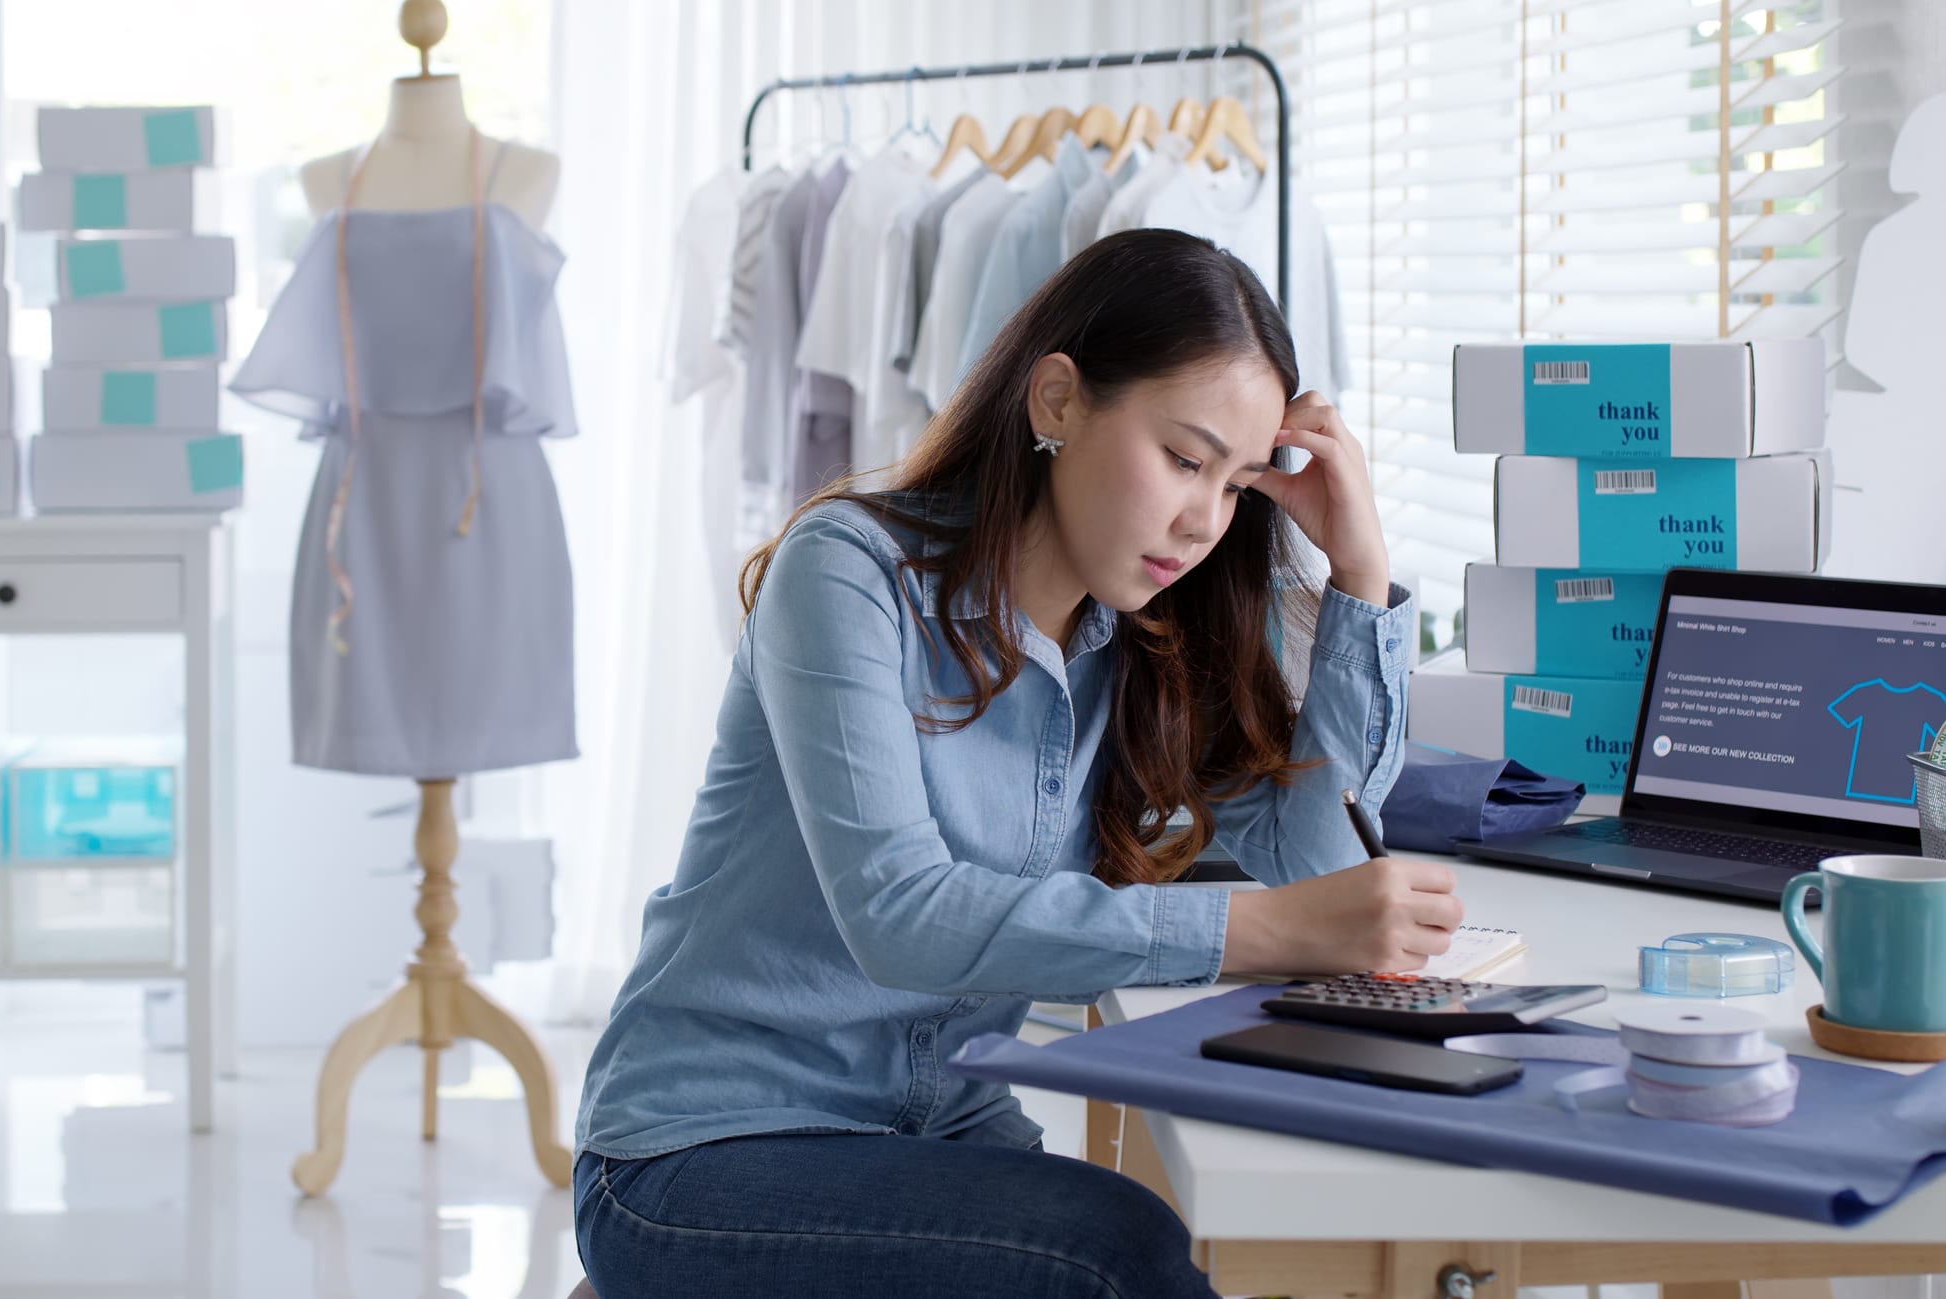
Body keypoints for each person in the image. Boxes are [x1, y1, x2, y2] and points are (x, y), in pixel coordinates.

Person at [572, 229, 1461, 1298]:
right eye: (1182, 459)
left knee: (1176, 1246)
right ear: (1055, 401)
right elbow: (898, 913)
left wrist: (1357, 571)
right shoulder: (850, 576)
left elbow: (1314, 864)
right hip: (705, 1145)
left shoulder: (1147, 638)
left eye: (1233, 486)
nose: (1200, 521)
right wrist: (1259, 933)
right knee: (1120, 1254)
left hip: (934, 1129)